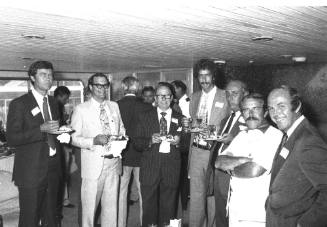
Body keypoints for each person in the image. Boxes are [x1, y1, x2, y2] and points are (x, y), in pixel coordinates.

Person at [6, 60, 62, 227]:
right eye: (43, 75)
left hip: (53, 167)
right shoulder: (19, 104)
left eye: (51, 75)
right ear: (32, 77)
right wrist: (40, 129)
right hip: (31, 172)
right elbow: (12, 138)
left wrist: (62, 133)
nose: (48, 78)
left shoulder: (53, 102)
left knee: (52, 216)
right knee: (30, 218)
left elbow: (53, 132)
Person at [215, 93, 282, 227]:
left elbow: (253, 170)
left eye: (255, 108)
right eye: (245, 110)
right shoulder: (241, 135)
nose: (250, 113)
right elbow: (219, 162)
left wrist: (232, 165)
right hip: (234, 208)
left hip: (256, 213)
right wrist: (245, 159)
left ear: (266, 112)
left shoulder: (274, 135)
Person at [266, 85, 327, 227]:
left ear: (297, 106)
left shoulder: (308, 140)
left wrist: (306, 223)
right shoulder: (292, 133)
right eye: (271, 108)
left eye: (281, 106)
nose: (275, 114)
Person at [70, 73, 126, 227]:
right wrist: (93, 140)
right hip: (93, 167)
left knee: (111, 209)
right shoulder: (81, 109)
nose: (102, 89)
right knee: (89, 211)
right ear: (90, 87)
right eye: (98, 85)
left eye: (105, 85)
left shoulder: (114, 106)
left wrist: (122, 138)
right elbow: (73, 138)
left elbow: (121, 128)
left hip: (113, 163)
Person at [133, 82, 184, 226]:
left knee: (169, 208)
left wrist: (179, 142)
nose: (164, 99)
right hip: (150, 168)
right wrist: (150, 140)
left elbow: (186, 146)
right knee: (149, 208)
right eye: (161, 96)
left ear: (172, 97)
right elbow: (136, 142)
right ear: (155, 98)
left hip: (171, 169)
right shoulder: (144, 116)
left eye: (167, 95)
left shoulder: (181, 118)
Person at [189, 59, 229, 227]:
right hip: (197, 151)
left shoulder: (225, 96)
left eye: (207, 75)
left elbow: (230, 124)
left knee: (213, 195)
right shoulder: (194, 97)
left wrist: (213, 132)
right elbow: (193, 123)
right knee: (196, 196)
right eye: (200, 76)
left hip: (214, 151)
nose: (204, 79)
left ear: (213, 77)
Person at [205, 80, 248, 227]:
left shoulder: (250, 120)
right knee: (221, 215)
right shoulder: (226, 120)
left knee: (233, 216)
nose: (230, 98)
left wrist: (232, 140)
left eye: (234, 93)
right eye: (228, 94)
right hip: (218, 173)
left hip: (233, 175)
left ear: (245, 94)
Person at [117, 76, 152, 227]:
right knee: (144, 193)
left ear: (123, 87)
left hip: (123, 154)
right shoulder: (148, 107)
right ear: (137, 89)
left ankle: (120, 224)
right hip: (142, 155)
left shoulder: (115, 106)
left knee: (121, 193)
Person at [171, 80, 191, 213]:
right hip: (175, 142)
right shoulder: (175, 103)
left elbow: (187, 126)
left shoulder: (188, 103)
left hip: (184, 143)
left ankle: (183, 204)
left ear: (179, 89)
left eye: (173, 89)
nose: (172, 92)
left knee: (183, 176)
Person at [54, 86, 74, 216]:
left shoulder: (59, 107)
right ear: (60, 96)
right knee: (59, 175)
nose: (67, 101)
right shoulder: (55, 106)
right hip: (58, 146)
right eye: (66, 98)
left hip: (62, 144)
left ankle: (64, 201)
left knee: (64, 174)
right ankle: (57, 205)